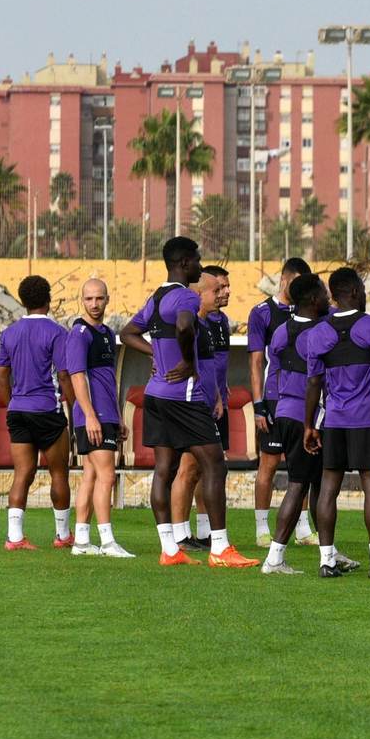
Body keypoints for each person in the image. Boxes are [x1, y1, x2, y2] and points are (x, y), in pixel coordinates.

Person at [120, 237, 257, 567]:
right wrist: (189, 362)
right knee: (215, 464)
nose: (200, 264)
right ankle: (221, 549)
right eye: (197, 260)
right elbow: (184, 324)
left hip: (155, 394)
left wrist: (158, 354)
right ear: (184, 263)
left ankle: (170, 551)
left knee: (164, 470)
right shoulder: (183, 295)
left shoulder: (157, 297)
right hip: (183, 396)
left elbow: (127, 334)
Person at [300, 268, 370, 578]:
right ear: (354, 293)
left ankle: (326, 562)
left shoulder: (317, 334)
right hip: (367, 420)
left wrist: (309, 425)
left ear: (333, 296)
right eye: (362, 290)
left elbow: (313, 384)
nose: (365, 295)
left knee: (328, 488)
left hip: (334, 422)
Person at [258, 274, 343, 574]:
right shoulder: (323, 332)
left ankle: (329, 550)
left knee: (320, 481)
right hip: (308, 417)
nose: (329, 297)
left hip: (285, 411)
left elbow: (276, 367)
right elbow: (320, 378)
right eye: (323, 292)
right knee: (298, 485)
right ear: (313, 300)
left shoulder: (282, 331)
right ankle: (274, 559)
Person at [0, 275, 73, 551]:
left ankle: (14, 538)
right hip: (47, 411)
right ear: (48, 299)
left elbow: (2, 376)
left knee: (22, 474)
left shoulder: (8, 333)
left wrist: (12, 405)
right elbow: (64, 377)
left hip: (18, 410)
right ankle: (63, 536)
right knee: (58, 474)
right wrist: (76, 409)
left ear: (23, 301)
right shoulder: (56, 333)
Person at [249, 257, 316, 547]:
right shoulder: (262, 313)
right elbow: (255, 362)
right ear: (285, 280)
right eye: (297, 283)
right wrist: (259, 404)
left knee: (302, 464)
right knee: (269, 464)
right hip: (274, 400)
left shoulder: (310, 312)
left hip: (303, 401)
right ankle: (262, 529)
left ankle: (302, 529)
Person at [67, 279, 133, 558]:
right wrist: (91, 416)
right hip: (93, 416)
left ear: (107, 299)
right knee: (107, 475)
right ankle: (107, 542)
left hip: (107, 414)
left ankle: (81, 542)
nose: (94, 304)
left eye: (99, 298)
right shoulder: (79, 333)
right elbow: (76, 376)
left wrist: (118, 417)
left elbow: (108, 380)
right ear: (81, 300)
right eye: (89, 299)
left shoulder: (107, 332)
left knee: (91, 476)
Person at [170, 264, 230, 551]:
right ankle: (180, 536)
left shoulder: (208, 324)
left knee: (200, 470)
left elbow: (209, 366)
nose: (221, 294)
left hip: (208, 404)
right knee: (187, 470)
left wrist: (217, 396)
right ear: (198, 293)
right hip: (190, 406)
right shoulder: (188, 323)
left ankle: (196, 534)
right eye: (216, 290)